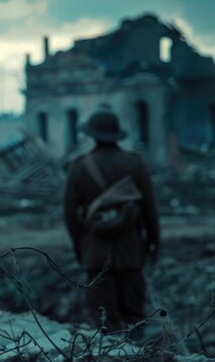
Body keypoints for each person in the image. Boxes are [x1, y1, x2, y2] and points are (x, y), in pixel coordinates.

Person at [64, 109, 160, 330]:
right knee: (136, 318)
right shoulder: (134, 164)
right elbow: (150, 209)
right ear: (117, 134)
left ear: (92, 135)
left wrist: (80, 245)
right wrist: (154, 242)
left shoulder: (80, 166)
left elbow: (70, 213)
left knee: (104, 322)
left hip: (96, 250)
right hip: (131, 249)